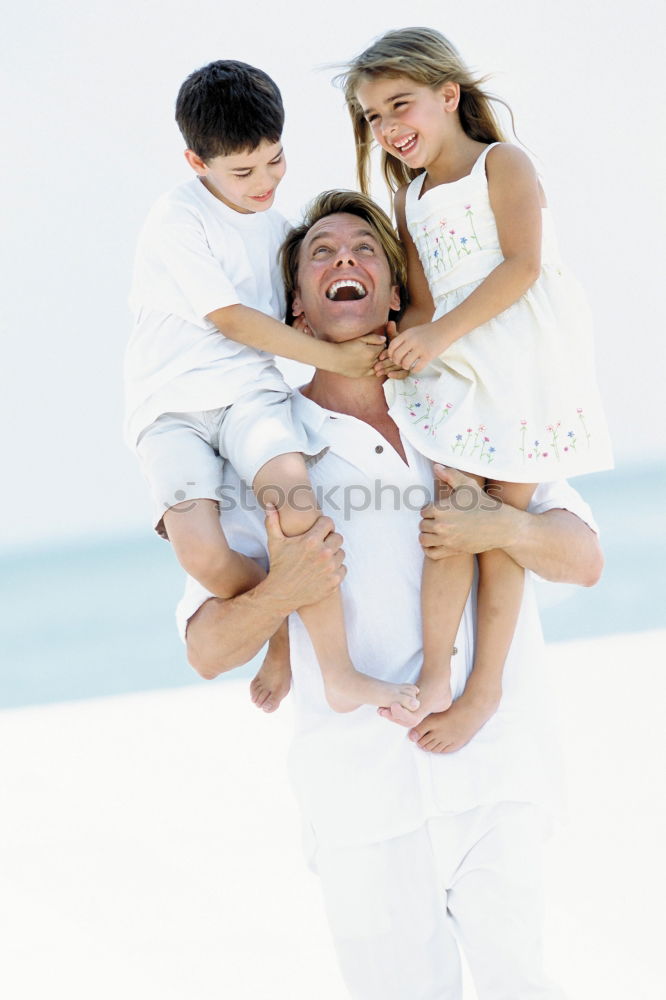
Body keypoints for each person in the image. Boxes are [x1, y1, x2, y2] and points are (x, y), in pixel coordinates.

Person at [180, 189, 603, 999]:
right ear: (297, 311)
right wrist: (281, 595)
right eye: (322, 254)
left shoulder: (474, 417)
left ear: (396, 290)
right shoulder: (265, 456)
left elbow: (583, 558)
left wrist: (499, 530)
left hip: (497, 776)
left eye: (366, 249)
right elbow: (205, 647)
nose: (346, 260)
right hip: (359, 805)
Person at [338, 27, 613, 744]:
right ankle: (436, 671)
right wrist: (405, 345)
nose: (389, 127)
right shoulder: (411, 198)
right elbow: (424, 306)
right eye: (373, 117)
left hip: (522, 369)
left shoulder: (504, 163)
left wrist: (440, 334)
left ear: (448, 95)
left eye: (401, 105)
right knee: (450, 521)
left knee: (497, 537)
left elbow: (522, 267)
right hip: (458, 366)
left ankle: (484, 689)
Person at [124, 59, 421, 716]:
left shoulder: (280, 227)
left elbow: (313, 293)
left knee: (294, 499)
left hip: (251, 399)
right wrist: (335, 361)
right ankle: (282, 620)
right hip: (172, 413)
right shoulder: (177, 220)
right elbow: (231, 318)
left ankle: (337, 671)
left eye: (274, 162)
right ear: (195, 162)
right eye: (243, 172)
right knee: (204, 557)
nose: (263, 183)